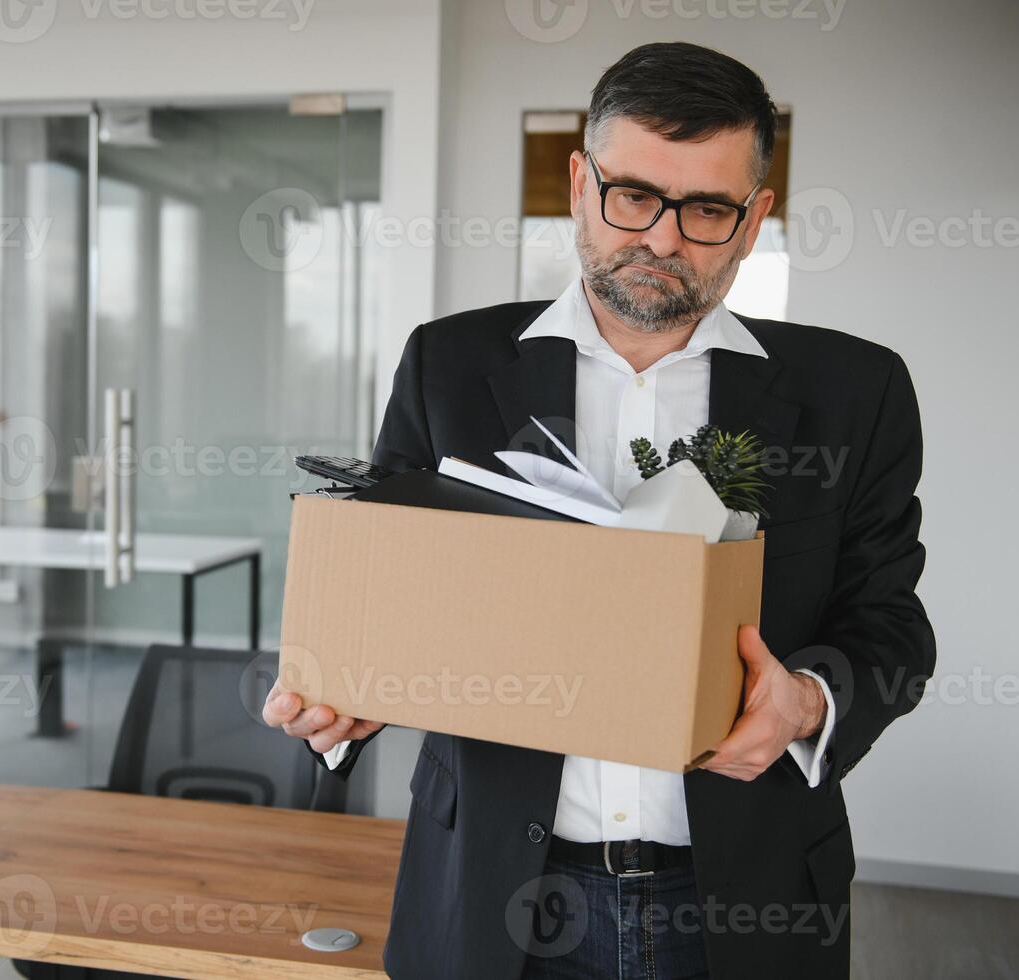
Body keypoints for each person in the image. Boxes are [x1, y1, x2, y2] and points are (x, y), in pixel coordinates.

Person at [264, 41, 934, 980]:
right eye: (632, 196)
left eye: (705, 209)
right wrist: (346, 697)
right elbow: (387, 592)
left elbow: (890, 624)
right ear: (580, 183)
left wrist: (807, 701)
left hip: (746, 897)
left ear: (754, 221)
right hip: (495, 889)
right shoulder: (446, 365)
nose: (661, 239)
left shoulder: (854, 390)